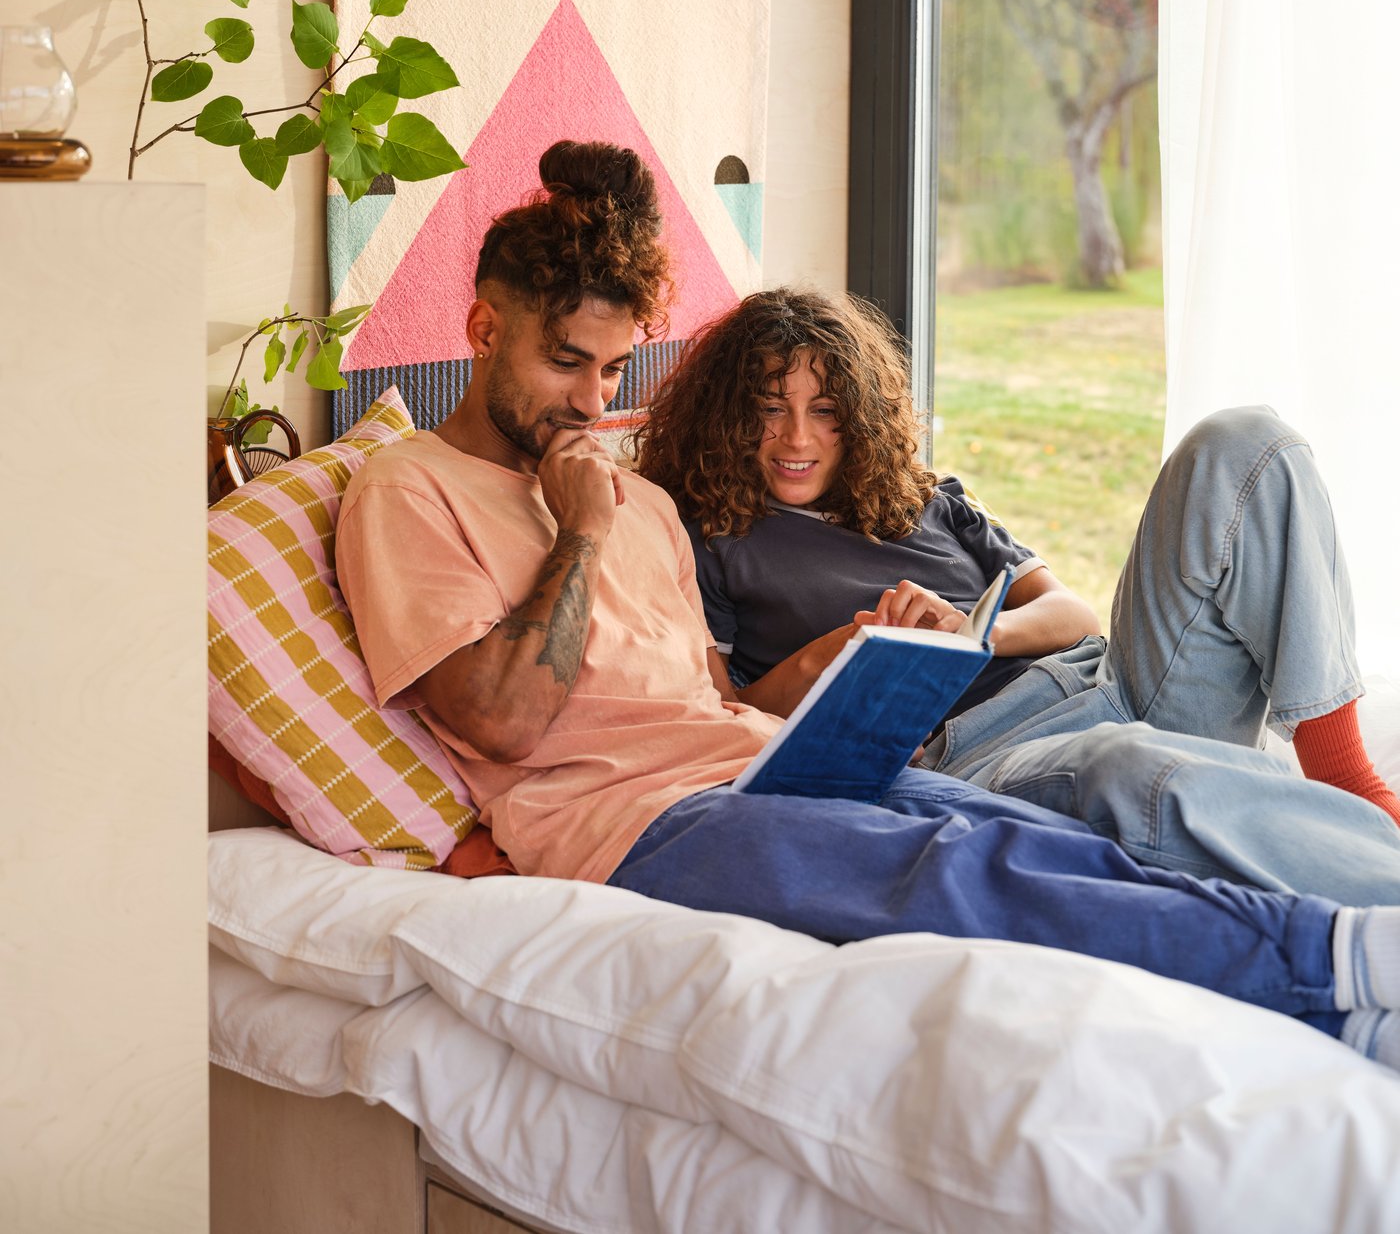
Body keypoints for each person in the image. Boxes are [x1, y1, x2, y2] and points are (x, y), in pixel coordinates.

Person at [337, 140, 1400, 1074]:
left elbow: (709, 696)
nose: (592, 403)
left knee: (1050, 848)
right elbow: (499, 718)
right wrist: (578, 529)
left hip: (774, 770)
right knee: (970, 871)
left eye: (614, 370)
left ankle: (1339, 973)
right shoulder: (407, 490)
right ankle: (1330, 962)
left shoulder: (642, 504)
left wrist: (840, 697)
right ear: (483, 328)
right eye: (567, 363)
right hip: (644, 822)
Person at [632, 285, 1400, 906]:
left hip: (1110, 679)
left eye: (824, 410)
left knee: (1245, 442)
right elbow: (720, 712)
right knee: (1130, 765)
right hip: (981, 751)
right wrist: (845, 656)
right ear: (729, 418)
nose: (797, 437)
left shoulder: (928, 501)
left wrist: (970, 634)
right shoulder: (706, 540)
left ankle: (1343, 773)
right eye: (770, 409)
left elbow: (1071, 614)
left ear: (857, 414)